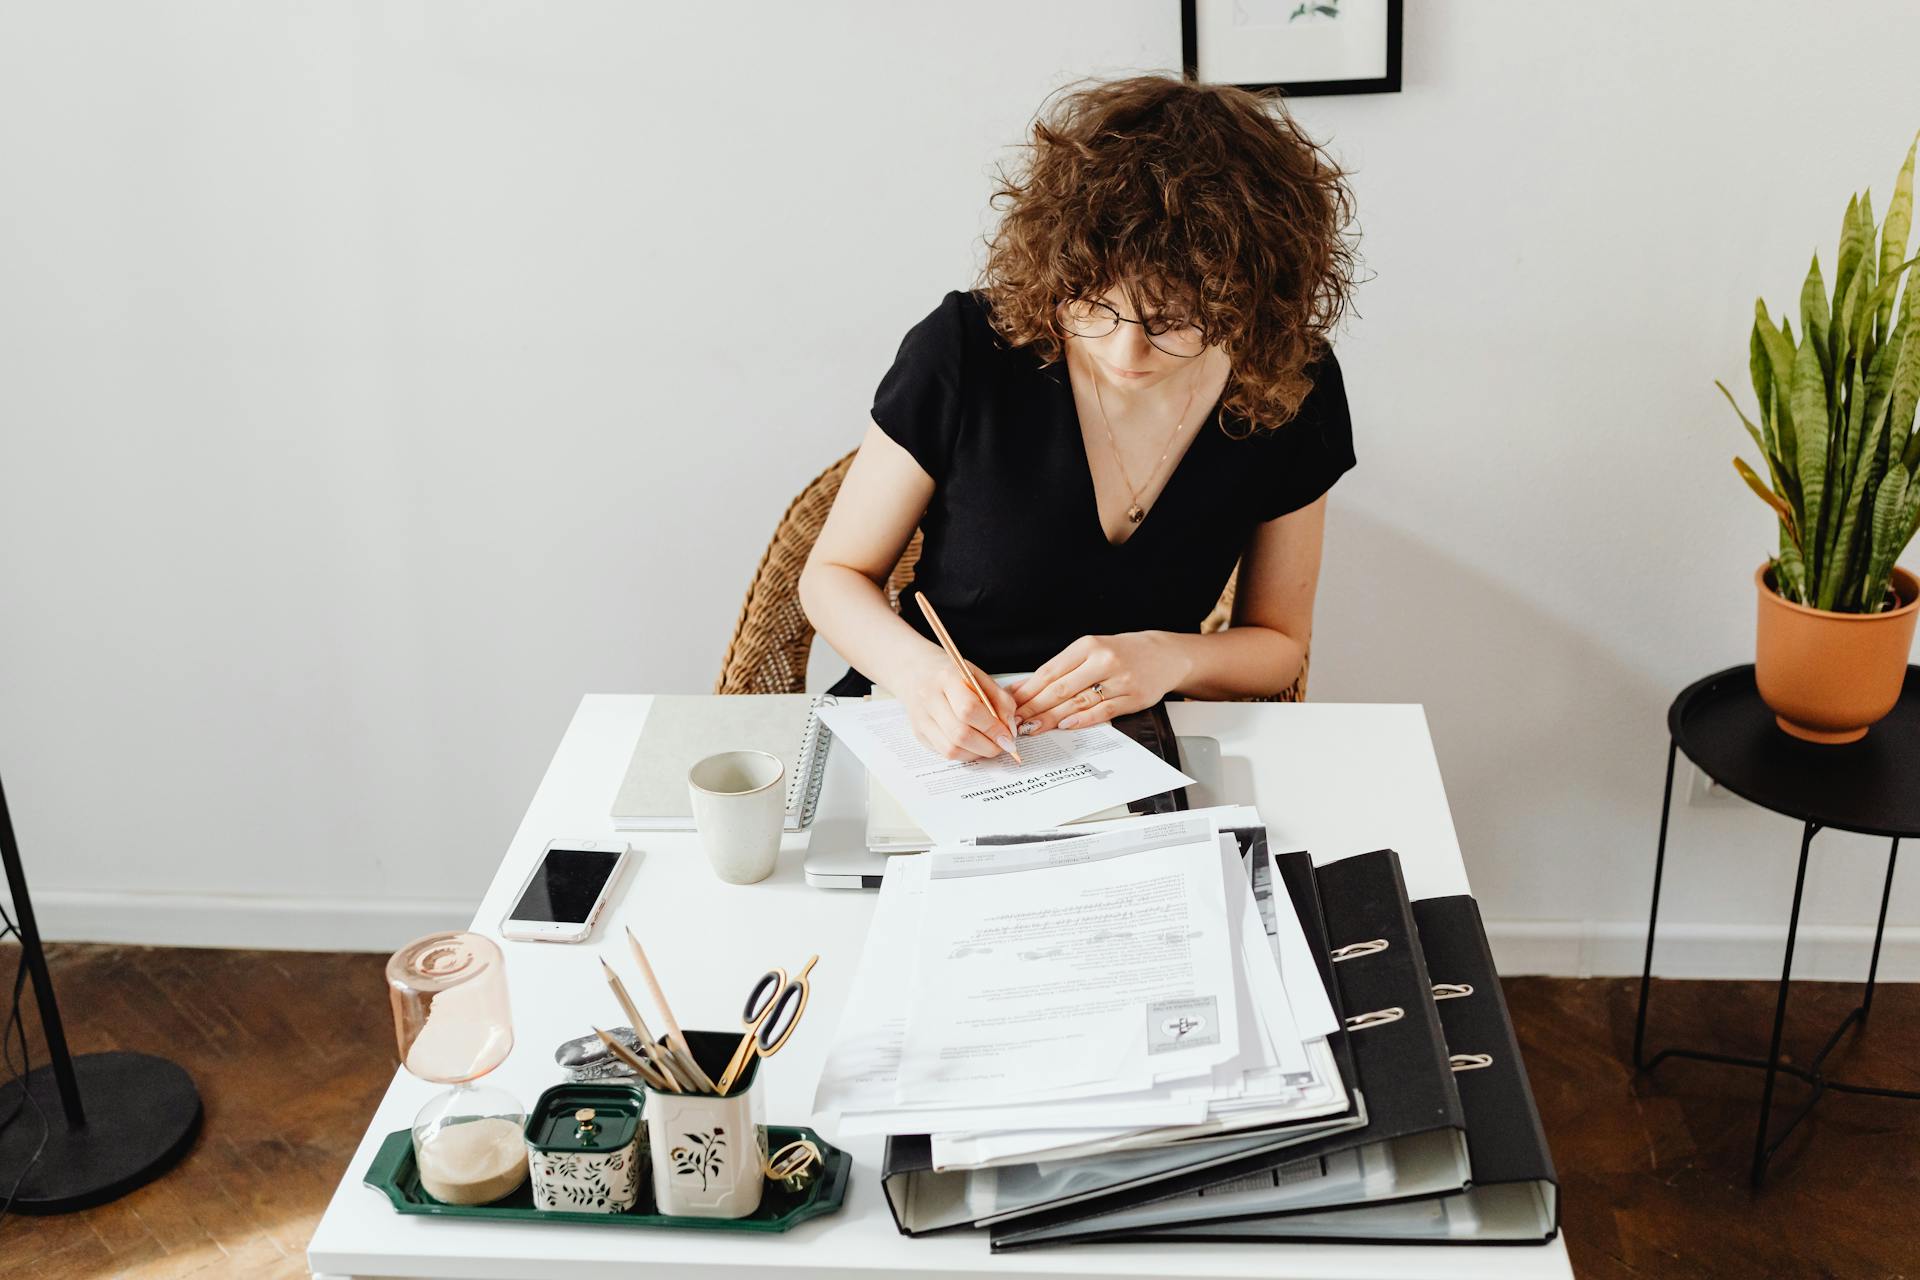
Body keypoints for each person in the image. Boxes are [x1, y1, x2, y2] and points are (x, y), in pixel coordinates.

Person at [798, 72, 1359, 762]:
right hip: (931, 737)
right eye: (1094, 304)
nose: (1126, 350)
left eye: (1174, 321)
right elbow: (831, 578)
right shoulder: (968, 350)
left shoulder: (1288, 384)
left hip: (1126, 753)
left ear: (1247, 303)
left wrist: (1168, 659)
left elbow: (1277, 645)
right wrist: (921, 676)